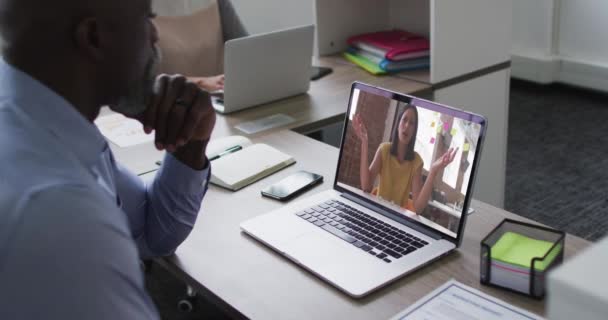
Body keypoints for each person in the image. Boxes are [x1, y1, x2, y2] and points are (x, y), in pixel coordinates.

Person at [0, 0, 215, 318]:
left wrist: (190, 145)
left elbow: (150, 235)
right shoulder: (60, 214)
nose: (155, 36)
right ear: (94, 37)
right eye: (147, 19)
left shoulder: (47, 121)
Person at [352, 105, 457, 214]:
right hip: (377, 211)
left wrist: (433, 171)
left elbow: (418, 208)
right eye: (404, 120)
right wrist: (364, 141)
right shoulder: (384, 149)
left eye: (412, 123)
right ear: (398, 124)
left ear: (414, 131)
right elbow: (366, 186)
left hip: (398, 218)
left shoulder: (417, 162)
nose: (407, 126)